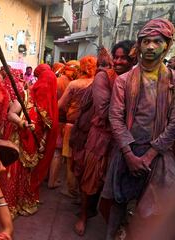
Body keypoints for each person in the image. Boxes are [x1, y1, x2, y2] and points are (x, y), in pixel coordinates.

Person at [103, 19, 175, 239]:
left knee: (150, 213)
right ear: (139, 44)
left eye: (157, 41)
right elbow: (115, 117)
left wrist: (151, 154)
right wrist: (130, 155)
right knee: (118, 205)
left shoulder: (172, 81)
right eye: (146, 41)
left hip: (158, 157)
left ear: (167, 45)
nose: (151, 46)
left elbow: (174, 123)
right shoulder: (124, 81)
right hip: (127, 154)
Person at [74, 41, 136, 236]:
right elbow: (103, 111)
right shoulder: (104, 77)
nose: (118, 61)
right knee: (90, 177)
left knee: (115, 181)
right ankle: (83, 215)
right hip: (101, 137)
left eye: (123, 57)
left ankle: (110, 219)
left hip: (123, 140)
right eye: (115, 57)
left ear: (132, 59)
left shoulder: (136, 79)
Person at [0, 64, 58, 217]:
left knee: (28, 176)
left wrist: (43, 143)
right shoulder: (25, 95)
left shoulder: (49, 104)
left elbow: (48, 128)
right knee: (14, 174)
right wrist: (22, 123)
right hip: (18, 143)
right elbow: (10, 114)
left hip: (33, 147)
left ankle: (24, 201)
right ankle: (10, 206)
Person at [58, 56, 97, 198]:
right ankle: (84, 190)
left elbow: (60, 105)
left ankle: (71, 189)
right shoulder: (97, 83)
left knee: (70, 159)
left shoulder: (74, 84)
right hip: (91, 127)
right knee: (85, 159)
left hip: (72, 125)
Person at [48, 60, 80, 189]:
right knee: (58, 152)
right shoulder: (69, 83)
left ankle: (49, 179)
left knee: (53, 151)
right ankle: (52, 181)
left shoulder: (58, 80)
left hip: (54, 117)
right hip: (63, 120)